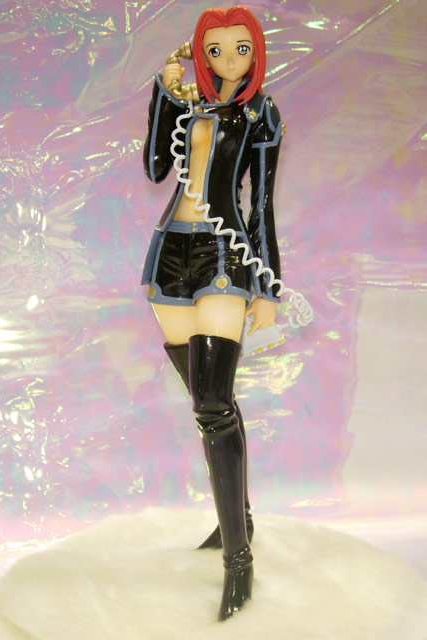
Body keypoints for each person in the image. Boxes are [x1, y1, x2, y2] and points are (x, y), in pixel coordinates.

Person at [142, 5, 283, 621]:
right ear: (201, 53)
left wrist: (269, 286)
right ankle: (238, 519)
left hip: (226, 256)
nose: (229, 60)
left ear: (256, 53)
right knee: (212, 404)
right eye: (216, 49)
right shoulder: (189, 104)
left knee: (212, 405)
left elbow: (262, 206)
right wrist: (164, 92)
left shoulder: (261, 113)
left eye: (241, 48)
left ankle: (238, 562)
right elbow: (156, 168)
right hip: (170, 254)